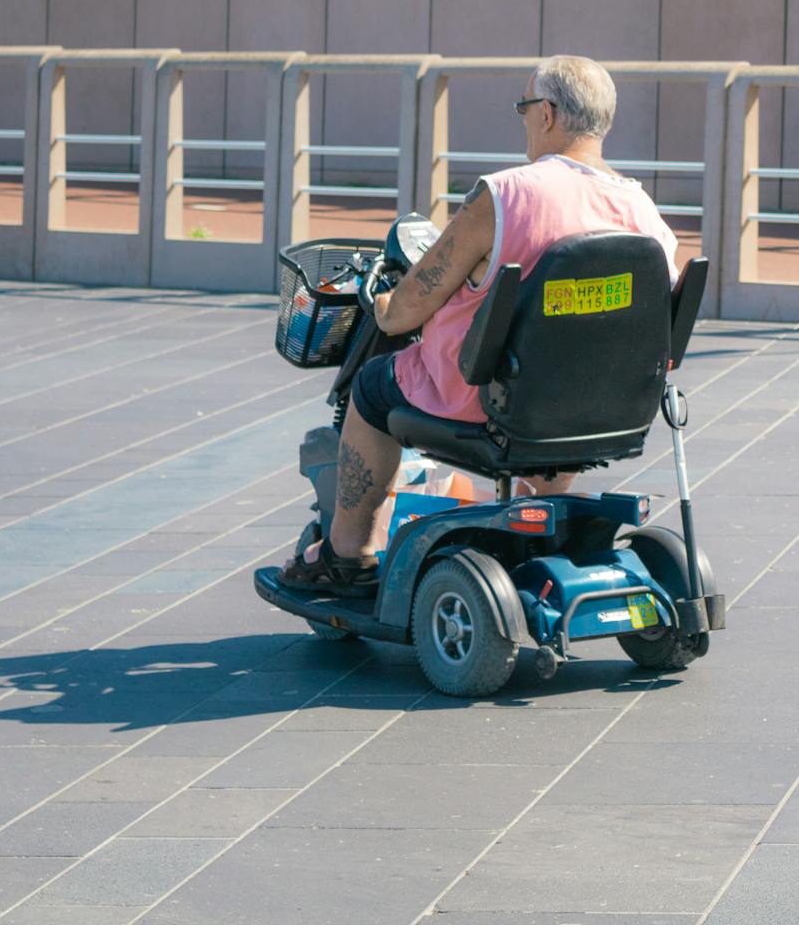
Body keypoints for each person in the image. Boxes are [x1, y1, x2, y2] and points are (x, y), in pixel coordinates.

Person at [282, 54, 678, 597]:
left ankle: (347, 555)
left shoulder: (506, 196)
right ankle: (532, 520)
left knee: (373, 387)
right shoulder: (643, 212)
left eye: (524, 106)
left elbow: (407, 308)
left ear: (548, 114)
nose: (522, 119)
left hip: (486, 400)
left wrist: (383, 304)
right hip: (602, 407)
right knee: (559, 376)